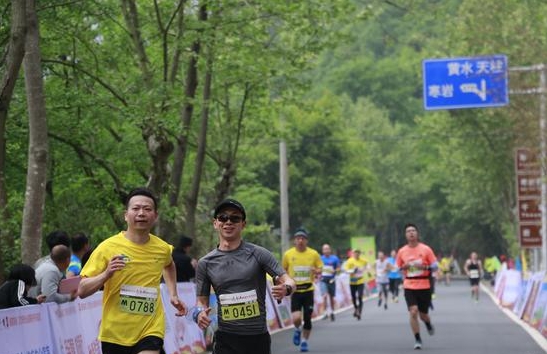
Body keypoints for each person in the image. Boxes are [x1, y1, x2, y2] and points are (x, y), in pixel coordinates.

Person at [78, 187, 187, 354]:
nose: (141, 213)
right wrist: (106, 274)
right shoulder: (107, 248)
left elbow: (169, 265)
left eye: (147, 209)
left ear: (155, 216)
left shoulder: (162, 248)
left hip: (150, 328)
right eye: (136, 208)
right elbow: (82, 290)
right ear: (126, 215)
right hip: (115, 333)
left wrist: (173, 294)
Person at [193, 199, 296, 354]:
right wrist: (198, 313)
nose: (228, 222)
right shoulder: (205, 263)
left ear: (243, 224)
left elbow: (289, 281)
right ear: (215, 223)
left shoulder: (259, 254)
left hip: (256, 338)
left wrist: (286, 289)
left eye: (235, 218)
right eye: (223, 218)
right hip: (225, 338)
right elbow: (201, 301)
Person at [396, 223, 438, 350]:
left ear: (417, 234)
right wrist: (404, 267)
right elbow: (397, 269)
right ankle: (418, 339)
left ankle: (428, 322)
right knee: (413, 311)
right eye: (408, 231)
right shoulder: (402, 251)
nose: (411, 233)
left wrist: (424, 267)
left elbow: (435, 266)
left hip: (424, 284)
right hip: (409, 285)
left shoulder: (426, 249)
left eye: (413, 230)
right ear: (406, 235)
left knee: (423, 315)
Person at [282, 228, 322, 352]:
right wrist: (286, 283)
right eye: (298, 238)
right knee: (296, 318)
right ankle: (297, 329)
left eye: (303, 238)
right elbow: (283, 270)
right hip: (295, 291)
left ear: (306, 241)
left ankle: (304, 342)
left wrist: (316, 271)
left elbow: (320, 268)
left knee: (308, 318)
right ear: (295, 240)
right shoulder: (288, 254)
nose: (300, 241)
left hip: (308, 290)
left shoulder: (313, 254)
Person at [344, 249, 368, 320]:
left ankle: (359, 312)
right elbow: (346, 270)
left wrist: (364, 268)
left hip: (360, 281)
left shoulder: (363, 261)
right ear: (353, 254)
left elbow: (367, 265)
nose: (357, 254)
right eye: (355, 253)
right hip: (353, 281)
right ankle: (356, 308)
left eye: (358, 253)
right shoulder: (349, 261)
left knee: (360, 296)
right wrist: (352, 270)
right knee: (354, 297)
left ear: (359, 254)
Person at [319, 243, 340, 321]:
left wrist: (334, 270)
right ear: (322, 251)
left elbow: (338, 268)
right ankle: (325, 313)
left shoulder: (334, 258)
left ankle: (332, 312)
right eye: (324, 249)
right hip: (323, 280)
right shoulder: (320, 259)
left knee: (331, 297)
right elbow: (318, 268)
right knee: (324, 296)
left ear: (330, 250)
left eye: (327, 249)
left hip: (331, 280)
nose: (326, 250)